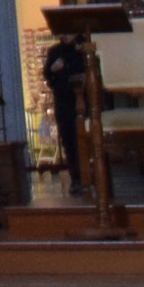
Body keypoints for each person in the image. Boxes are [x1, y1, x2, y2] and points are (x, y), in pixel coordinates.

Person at [40, 24, 89, 190]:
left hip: (82, 101)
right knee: (68, 141)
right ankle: (75, 178)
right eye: (63, 32)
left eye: (69, 31)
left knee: (81, 139)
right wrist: (54, 70)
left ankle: (88, 176)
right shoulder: (55, 51)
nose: (65, 35)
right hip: (62, 102)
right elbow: (48, 74)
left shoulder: (84, 49)